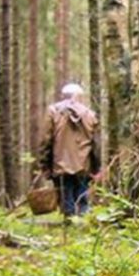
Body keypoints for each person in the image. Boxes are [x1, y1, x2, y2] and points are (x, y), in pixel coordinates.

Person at [39, 83, 101, 217]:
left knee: (66, 201)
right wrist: (96, 168)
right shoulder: (90, 114)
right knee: (82, 200)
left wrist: (45, 165)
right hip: (84, 165)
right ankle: (82, 229)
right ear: (80, 97)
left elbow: (46, 140)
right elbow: (95, 144)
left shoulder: (53, 112)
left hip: (60, 164)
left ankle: (69, 229)